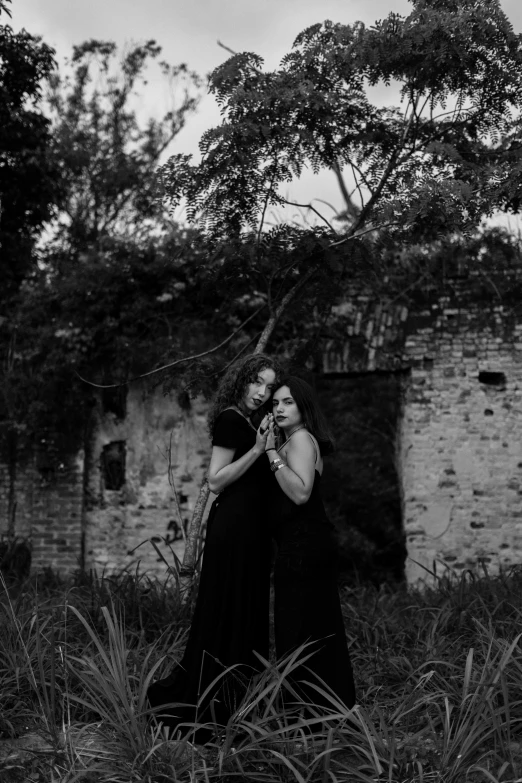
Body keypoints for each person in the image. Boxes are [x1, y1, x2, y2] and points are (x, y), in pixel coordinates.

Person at [147, 353, 281, 741]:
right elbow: (216, 480)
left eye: (269, 386)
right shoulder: (229, 419)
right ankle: (210, 702)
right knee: (227, 608)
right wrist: (257, 451)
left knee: (247, 609)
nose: (261, 391)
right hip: (233, 529)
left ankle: (239, 700)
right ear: (241, 380)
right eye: (257, 381)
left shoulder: (255, 422)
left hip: (253, 532)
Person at [265, 376, 356, 714]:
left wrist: (271, 452)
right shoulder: (296, 440)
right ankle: (324, 712)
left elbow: (301, 493)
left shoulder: (300, 440)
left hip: (305, 546)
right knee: (311, 628)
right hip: (303, 544)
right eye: (274, 404)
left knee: (300, 630)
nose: (279, 409)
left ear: (304, 406)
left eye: (287, 402)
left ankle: (308, 716)